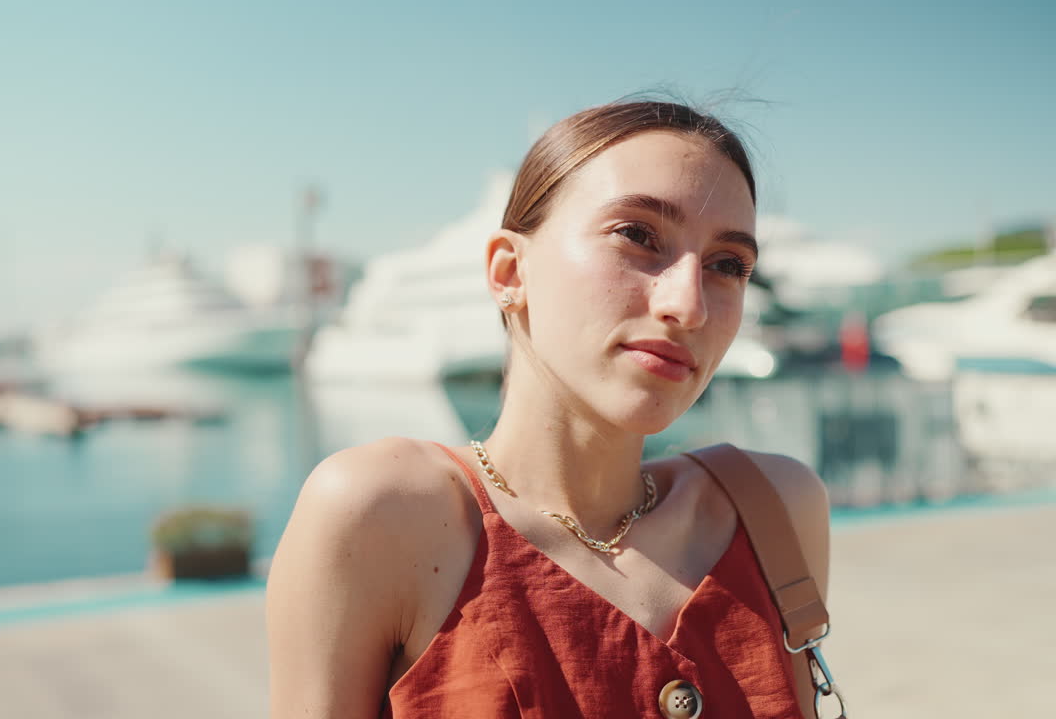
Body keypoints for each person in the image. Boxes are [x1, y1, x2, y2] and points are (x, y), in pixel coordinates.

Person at [267, 100, 832, 719]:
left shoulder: (775, 508)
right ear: (510, 271)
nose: (689, 305)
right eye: (638, 235)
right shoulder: (380, 515)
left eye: (728, 265)